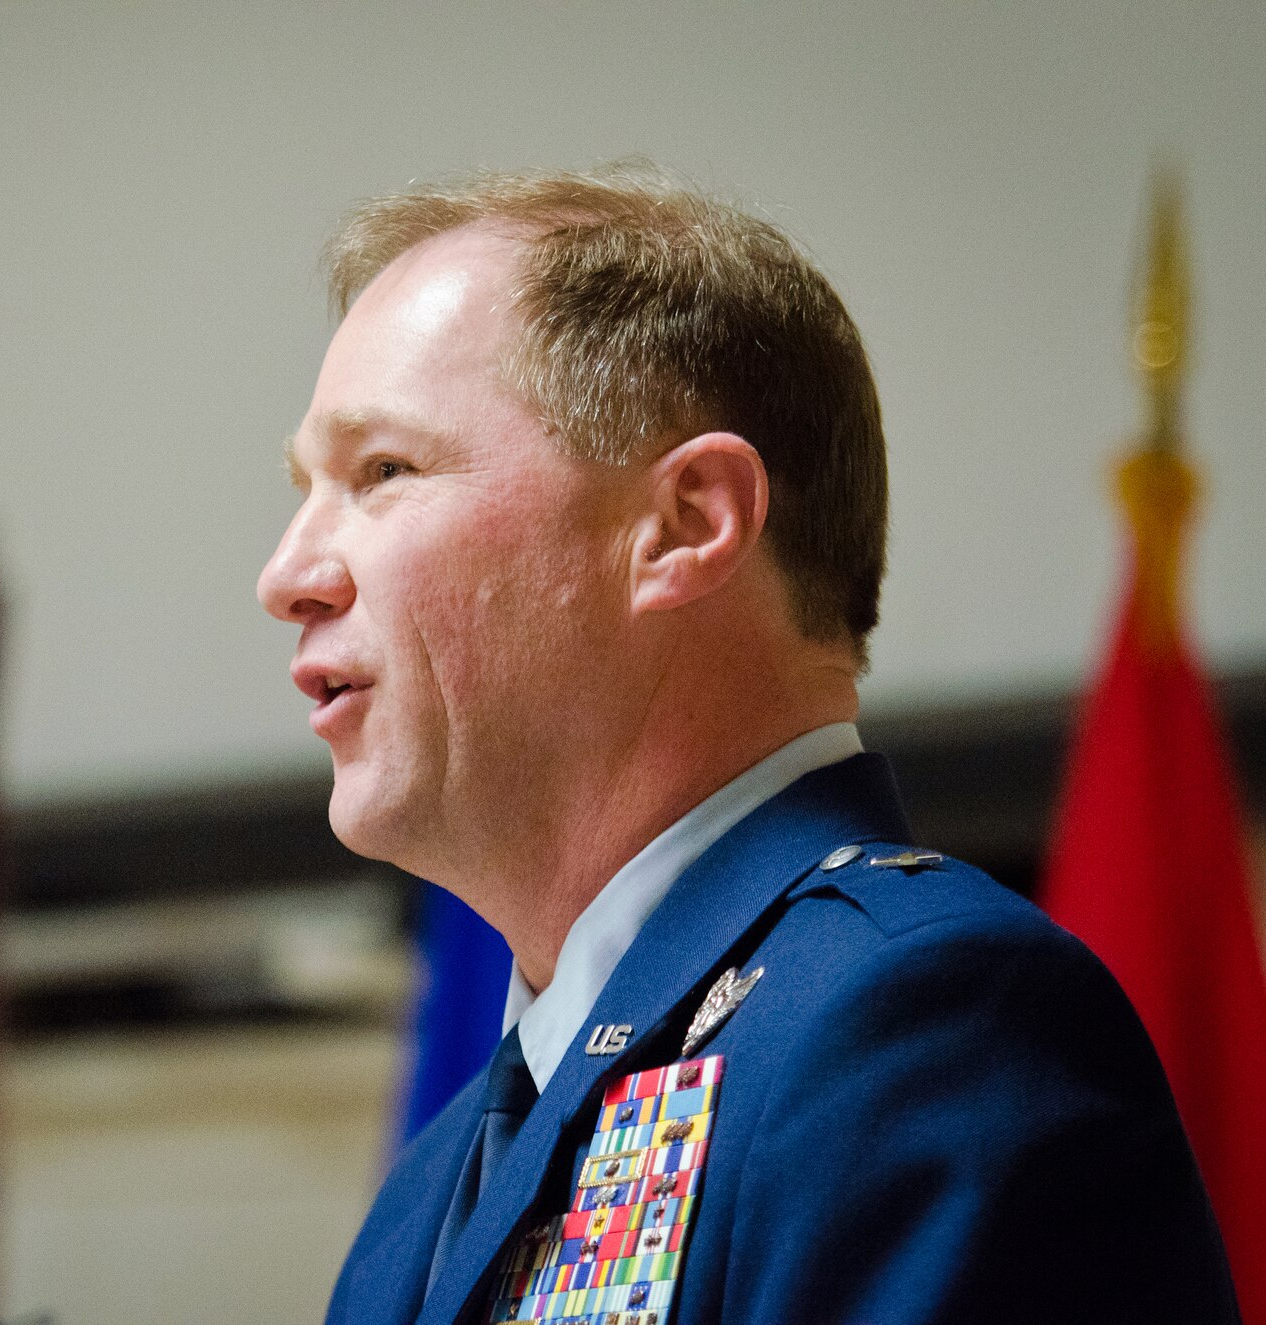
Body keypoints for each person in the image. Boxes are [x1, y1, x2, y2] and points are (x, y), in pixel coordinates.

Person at [256, 165, 1238, 1325]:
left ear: (683, 524)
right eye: (304, 489)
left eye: (383, 472)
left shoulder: (919, 1024)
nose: (285, 576)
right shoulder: (419, 1206)